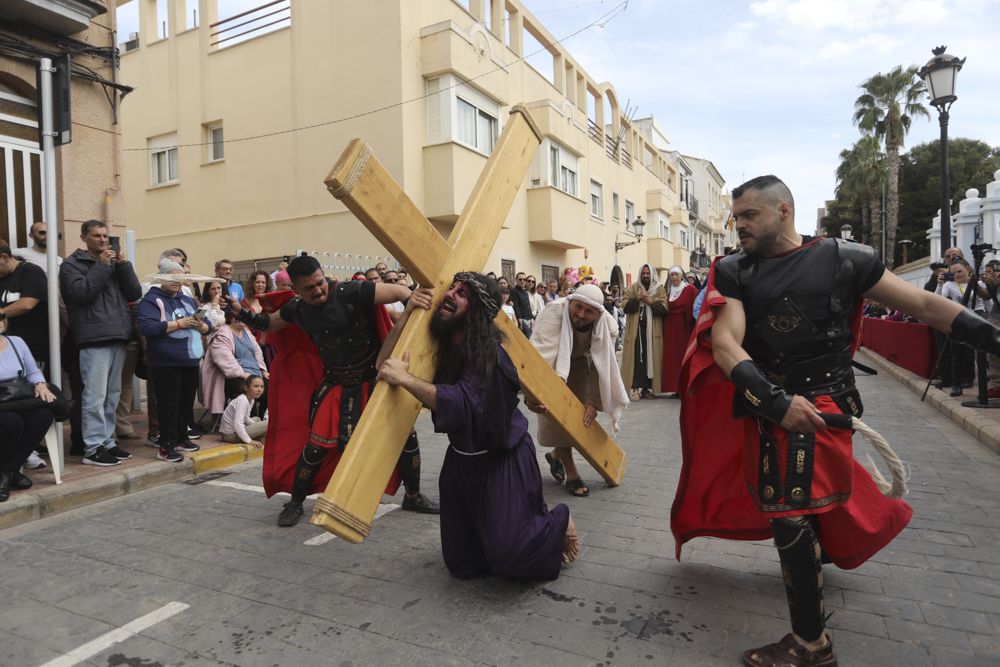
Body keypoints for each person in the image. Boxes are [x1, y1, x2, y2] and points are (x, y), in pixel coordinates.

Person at [672, 175, 1000, 667]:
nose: (737, 226)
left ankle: (811, 644)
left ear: (783, 210)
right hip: (772, 408)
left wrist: (994, 340)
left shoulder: (847, 258)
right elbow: (725, 342)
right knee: (789, 506)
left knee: (790, 512)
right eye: (735, 217)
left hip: (828, 405)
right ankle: (815, 596)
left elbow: (927, 304)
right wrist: (776, 400)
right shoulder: (734, 270)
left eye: (748, 216)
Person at [377, 271, 579, 578]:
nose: (450, 294)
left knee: (512, 558)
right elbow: (384, 367)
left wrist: (405, 378)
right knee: (462, 565)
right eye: (453, 288)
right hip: (461, 463)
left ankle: (559, 520)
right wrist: (406, 316)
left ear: (476, 313)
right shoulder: (439, 343)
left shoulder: (491, 357)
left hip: (503, 461)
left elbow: (462, 402)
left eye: (462, 294)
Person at [229, 254, 438, 526]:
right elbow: (268, 324)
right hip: (337, 383)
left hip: (375, 379)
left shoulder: (351, 291)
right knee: (316, 446)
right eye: (309, 288)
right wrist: (240, 310)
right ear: (296, 289)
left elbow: (398, 291)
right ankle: (295, 501)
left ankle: (413, 495)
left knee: (405, 436)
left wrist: (411, 299)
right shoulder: (297, 309)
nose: (318, 290)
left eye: (320, 283)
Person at [527, 283, 629, 498]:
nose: (581, 314)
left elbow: (601, 366)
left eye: (588, 311)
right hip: (553, 367)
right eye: (578, 307)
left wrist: (593, 401)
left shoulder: (607, 326)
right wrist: (533, 394)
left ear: (597, 313)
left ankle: (557, 455)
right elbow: (538, 356)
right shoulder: (553, 312)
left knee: (579, 419)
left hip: (582, 367)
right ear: (570, 302)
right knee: (558, 419)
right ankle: (572, 474)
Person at [60, 220, 142, 466]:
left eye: (106, 236)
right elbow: (81, 294)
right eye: (97, 236)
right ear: (84, 237)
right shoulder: (70, 265)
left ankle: (107, 441)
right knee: (94, 396)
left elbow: (135, 293)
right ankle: (93, 447)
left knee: (112, 395)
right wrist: (102, 266)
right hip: (93, 336)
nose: (103, 240)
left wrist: (124, 266)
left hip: (118, 334)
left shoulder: (113, 264)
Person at [137, 273, 208, 462]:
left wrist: (201, 325)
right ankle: (166, 446)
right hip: (166, 360)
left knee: (185, 404)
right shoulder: (151, 300)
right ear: (162, 279)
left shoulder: (187, 299)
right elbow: (146, 328)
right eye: (172, 278)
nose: (177, 282)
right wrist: (179, 323)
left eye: (179, 278)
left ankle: (181, 438)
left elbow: (207, 327)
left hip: (190, 358)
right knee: (169, 404)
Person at [0, 321, 56, 501]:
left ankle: (6, 472)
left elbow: (32, 371)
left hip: (20, 398)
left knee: (44, 415)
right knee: (12, 422)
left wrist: (40, 383)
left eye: (1, 317)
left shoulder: (17, 341)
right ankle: (11, 473)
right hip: (2, 404)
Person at [200, 309, 268, 419]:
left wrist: (263, 370)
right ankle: (248, 420)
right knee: (249, 388)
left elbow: (257, 352)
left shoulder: (247, 332)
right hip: (234, 375)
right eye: (239, 317)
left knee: (272, 387)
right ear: (231, 318)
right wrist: (245, 375)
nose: (243, 321)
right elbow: (224, 359)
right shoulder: (222, 333)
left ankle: (263, 417)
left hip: (255, 372)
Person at [935, 258, 988, 397]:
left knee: (981, 352)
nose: (957, 275)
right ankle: (956, 385)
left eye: (960, 271)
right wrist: (940, 285)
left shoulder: (979, 283)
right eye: (953, 273)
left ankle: (983, 384)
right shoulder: (949, 285)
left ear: (968, 269)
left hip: (977, 316)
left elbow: (987, 303)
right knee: (957, 352)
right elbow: (939, 300)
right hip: (960, 317)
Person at [619, 264, 667, 400]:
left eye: (647, 273)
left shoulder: (659, 289)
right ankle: (634, 388)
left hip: (652, 333)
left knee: (649, 359)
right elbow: (625, 306)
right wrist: (638, 298)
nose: (645, 276)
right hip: (636, 330)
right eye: (643, 273)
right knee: (635, 360)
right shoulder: (633, 288)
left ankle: (646, 389)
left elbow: (663, 309)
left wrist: (650, 301)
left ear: (652, 274)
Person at [661, 266, 699, 395]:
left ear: (682, 276)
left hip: (684, 327)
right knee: (672, 358)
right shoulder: (667, 291)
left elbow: (696, 308)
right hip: (669, 327)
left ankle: (684, 388)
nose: (674, 277)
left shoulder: (690, 289)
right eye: (672, 275)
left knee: (683, 356)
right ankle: (675, 387)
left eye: (676, 274)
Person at [220, 375, 268, 447]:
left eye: (262, 386)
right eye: (256, 386)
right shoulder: (243, 400)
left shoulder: (251, 400)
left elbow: (245, 418)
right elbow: (238, 423)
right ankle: (261, 439)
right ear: (246, 388)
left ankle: (262, 439)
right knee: (268, 423)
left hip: (236, 431)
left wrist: (258, 427)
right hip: (230, 436)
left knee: (257, 419)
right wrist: (249, 441)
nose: (259, 390)